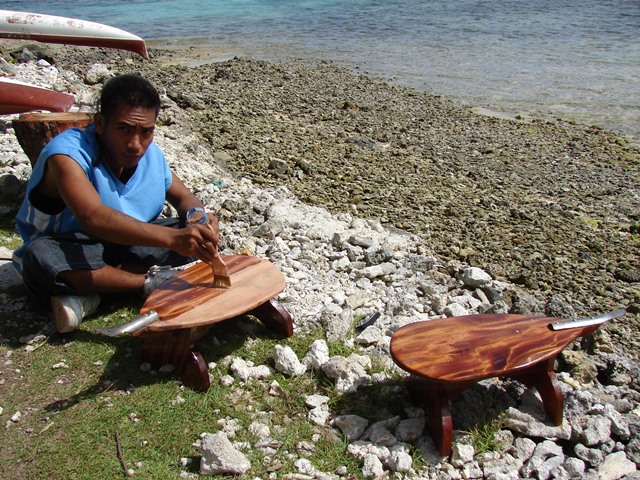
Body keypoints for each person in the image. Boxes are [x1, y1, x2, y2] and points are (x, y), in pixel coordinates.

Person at [12, 73, 220, 333]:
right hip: (73, 247)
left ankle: (95, 290)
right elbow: (93, 217)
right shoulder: (67, 154)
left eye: (146, 132)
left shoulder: (150, 155)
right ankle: (146, 284)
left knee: (185, 231)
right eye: (124, 129)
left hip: (125, 244)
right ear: (100, 123)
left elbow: (184, 198)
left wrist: (198, 220)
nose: (135, 144)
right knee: (39, 257)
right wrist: (172, 239)